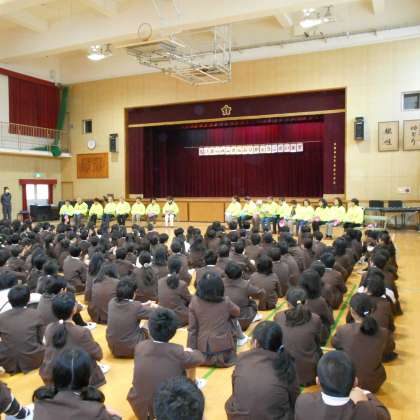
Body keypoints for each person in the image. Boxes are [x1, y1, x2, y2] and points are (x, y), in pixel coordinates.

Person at [127, 308, 205, 419]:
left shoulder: (140, 347)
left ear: (150, 328)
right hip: (169, 411)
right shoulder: (177, 352)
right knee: (189, 362)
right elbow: (200, 358)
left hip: (141, 410)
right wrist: (189, 351)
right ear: (173, 331)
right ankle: (193, 383)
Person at [225, 321, 300, 420]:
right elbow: (295, 398)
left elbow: (235, 389)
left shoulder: (242, 358)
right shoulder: (286, 364)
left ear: (255, 342)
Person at [295, 351, 391, 419]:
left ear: (318, 381)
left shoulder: (303, 402)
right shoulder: (366, 412)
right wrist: (366, 394)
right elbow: (385, 415)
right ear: (355, 382)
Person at [40, 292, 106, 387]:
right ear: (74, 309)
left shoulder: (49, 328)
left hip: (51, 378)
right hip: (72, 380)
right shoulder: (81, 332)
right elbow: (98, 355)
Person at [34, 348, 121, 420]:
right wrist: (115, 416)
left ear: (55, 374)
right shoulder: (95, 411)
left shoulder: (40, 402)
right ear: (88, 377)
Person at [332, 293, 389, 393]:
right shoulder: (383, 332)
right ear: (372, 310)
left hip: (347, 383)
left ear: (352, 311)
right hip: (373, 384)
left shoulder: (343, 330)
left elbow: (334, 343)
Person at [187, 272, 240, 367]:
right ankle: (241, 338)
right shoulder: (226, 302)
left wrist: (191, 352)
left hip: (202, 354)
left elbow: (192, 329)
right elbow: (237, 312)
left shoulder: (194, 302)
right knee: (232, 318)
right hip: (224, 354)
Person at [274, 287, 322, 386]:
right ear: (306, 302)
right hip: (309, 375)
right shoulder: (315, 319)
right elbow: (318, 341)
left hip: (285, 374)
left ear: (287, 303)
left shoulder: (278, 317)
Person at [0, 285, 45, 374]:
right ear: (28, 300)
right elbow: (40, 339)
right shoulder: (36, 314)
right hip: (34, 360)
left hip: (7, 362)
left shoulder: (1, 317)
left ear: (9, 300)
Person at [106, 279, 154, 358]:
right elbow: (155, 313)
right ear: (133, 293)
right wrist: (154, 306)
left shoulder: (111, 302)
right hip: (133, 349)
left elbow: (128, 306)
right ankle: (153, 347)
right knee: (151, 321)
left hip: (114, 349)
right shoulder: (136, 307)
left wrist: (143, 305)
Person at [224, 261, 264, 331]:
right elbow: (261, 293)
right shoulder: (245, 284)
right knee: (253, 300)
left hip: (225, 322)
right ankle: (254, 316)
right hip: (242, 321)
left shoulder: (220, 282)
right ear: (241, 273)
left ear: (226, 274)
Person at [298, 269, 334, 345]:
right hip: (316, 334)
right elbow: (330, 320)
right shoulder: (320, 301)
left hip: (301, 333)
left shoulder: (297, 296)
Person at [157, 256, 191, 327]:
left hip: (162, 315)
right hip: (177, 317)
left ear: (167, 268)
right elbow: (190, 299)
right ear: (181, 269)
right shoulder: (182, 284)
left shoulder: (159, 281)